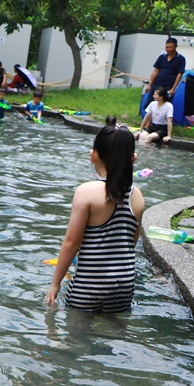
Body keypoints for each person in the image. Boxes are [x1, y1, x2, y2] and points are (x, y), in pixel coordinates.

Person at [44, 126, 146, 313]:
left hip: (90, 286)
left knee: (77, 339)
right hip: (124, 286)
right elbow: (131, 242)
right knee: (114, 335)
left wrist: (55, 284)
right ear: (133, 158)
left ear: (93, 155)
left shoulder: (87, 192)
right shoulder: (137, 196)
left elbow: (71, 243)